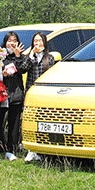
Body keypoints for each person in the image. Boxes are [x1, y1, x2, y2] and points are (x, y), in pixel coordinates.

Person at [22, 31, 56, 163]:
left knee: (44, 122)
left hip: (45, 95)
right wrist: (31, 55)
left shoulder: (50, 58)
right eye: (35, 41)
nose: (37, 43)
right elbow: (23, 68)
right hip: (31, 93)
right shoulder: (29, 57)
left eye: (40, 41)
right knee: (31, 121)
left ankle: (44, 149)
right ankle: (31, 150)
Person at [0, 32, 29, 161]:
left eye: (14, 40)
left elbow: (23, 69)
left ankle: (12, 148)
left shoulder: (22, 56)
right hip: (1, 95)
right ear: (5, 42)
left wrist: (17, 56)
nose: (12, 43)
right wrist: (2, 73)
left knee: (14, 124)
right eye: (9, 41)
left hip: (16, 94)